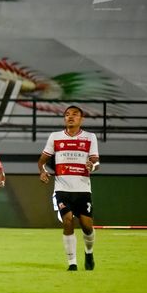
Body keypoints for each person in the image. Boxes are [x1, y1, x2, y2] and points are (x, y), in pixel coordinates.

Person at [38, 105, 99, 271]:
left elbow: (96, 161)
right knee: (67, 221)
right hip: (62, 188)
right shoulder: (55, 137)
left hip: (83, 189)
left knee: (87, 226)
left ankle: (89, 252)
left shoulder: (89, 137)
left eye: (75, 114)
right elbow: (42, 161)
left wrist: (91, 166)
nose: (70, 117)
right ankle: (72, 263)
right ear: (64, 118)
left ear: (81, 119)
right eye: (67, 114)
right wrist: (42, 172)